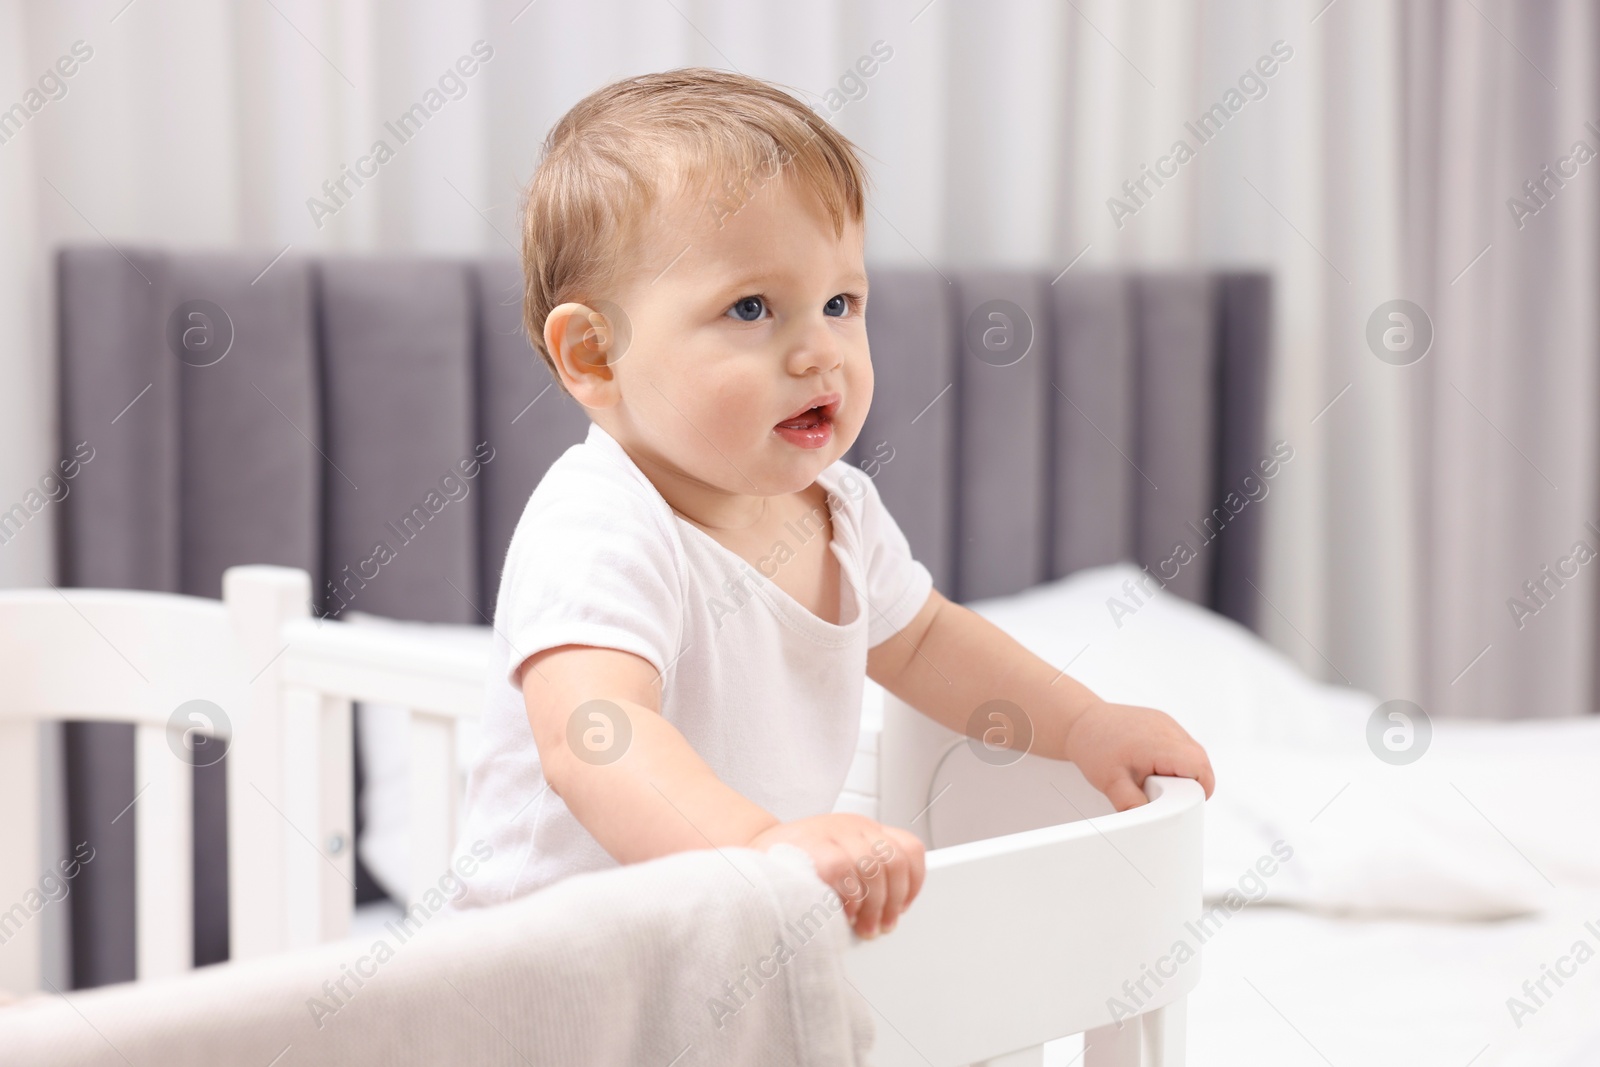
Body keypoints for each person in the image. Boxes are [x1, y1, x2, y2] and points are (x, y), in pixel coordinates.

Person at [454, 67, 1214, 939]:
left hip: (729, 939)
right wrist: (760, 846)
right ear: (595, 354)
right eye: (750, 307)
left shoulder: (840, 511)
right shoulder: (601, 522)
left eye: (840, 302)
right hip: (543, 975)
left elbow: (927, 640)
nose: (821, 351)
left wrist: (1083, 722)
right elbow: (596, 735)